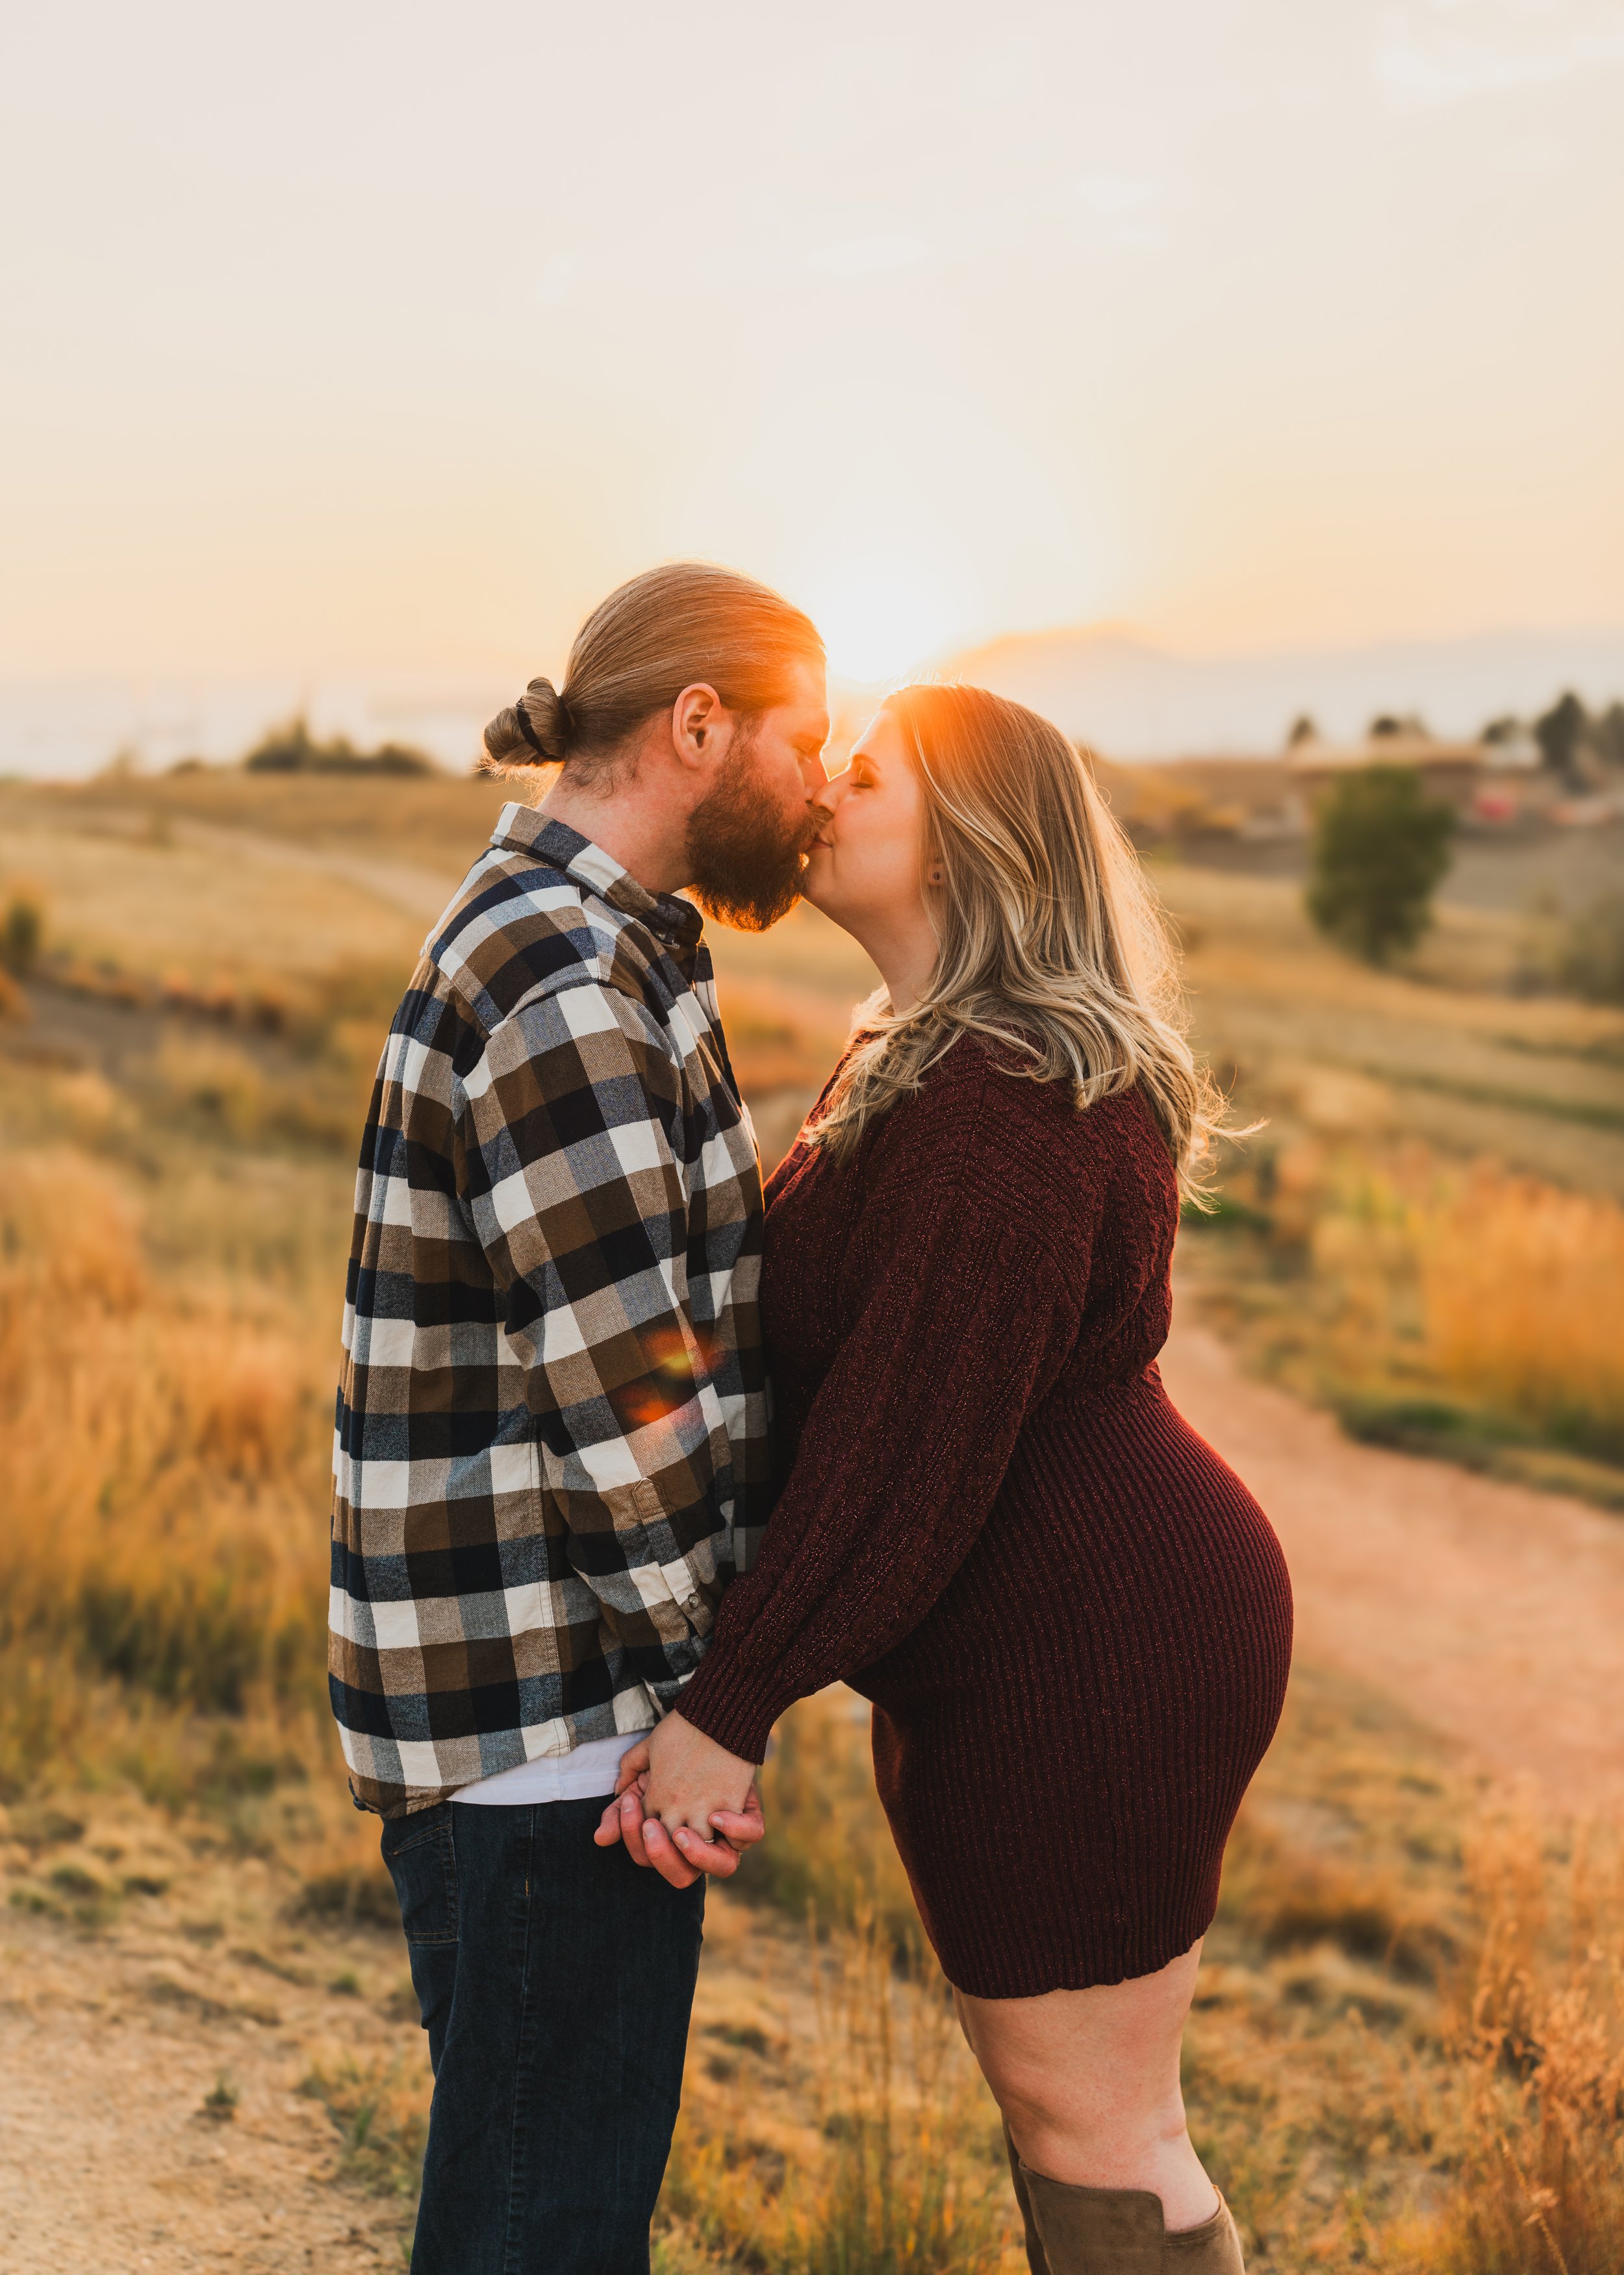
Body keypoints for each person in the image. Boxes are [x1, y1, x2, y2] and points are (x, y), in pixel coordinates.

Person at [602, 683, 1295, 2274]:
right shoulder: (922, 1060)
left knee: (1099, 2131)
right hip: (1018, 1643)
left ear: (976, 836)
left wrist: (731, 1702)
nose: (822, 788)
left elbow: (905, 1443)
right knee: (1071, 2122)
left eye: (868, 773)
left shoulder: (1002, 1103)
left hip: (1088, 1653)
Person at [328, 561, 830, 2273]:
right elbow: (633, 1398)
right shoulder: (566, 978)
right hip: (563, 1722)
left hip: (541, 1705)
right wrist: (717, 1700)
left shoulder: (583, 941)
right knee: (540, 2234)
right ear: (698, 724)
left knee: (525, 2209)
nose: (820, 783)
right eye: (801, 737)